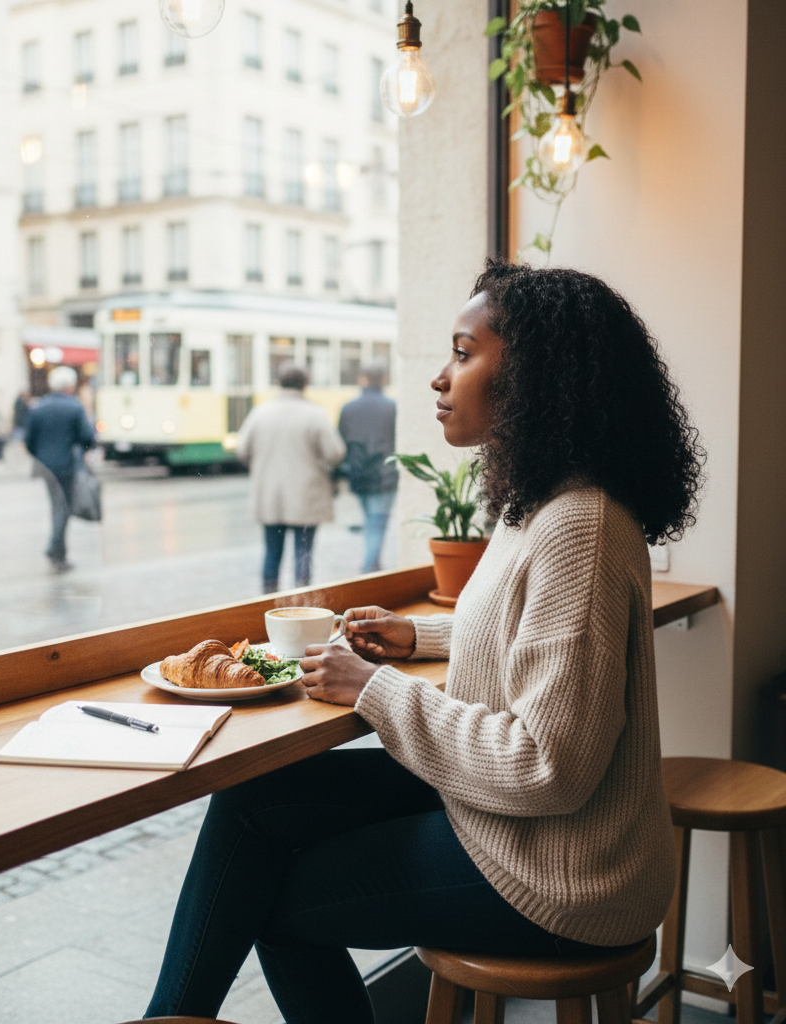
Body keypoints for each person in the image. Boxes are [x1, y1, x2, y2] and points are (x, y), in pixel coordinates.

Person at [145, 261, 706, 1024]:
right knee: (252, 801)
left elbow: (547, 766)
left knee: (272, 904)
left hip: (564, 872)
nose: (440, 378)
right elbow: (533, 637)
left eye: (464, 353)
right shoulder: (542, 504)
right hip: (522, 824)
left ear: (534, 376)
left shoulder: (583, 525)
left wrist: (374, 690)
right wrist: (416, 636)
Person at [236, 364, 346, 593]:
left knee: (271, 552)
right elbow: (335, 453)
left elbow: (242, 450)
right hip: (306, 496)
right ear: (305, 384)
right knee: (303, 553)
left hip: (270, 496)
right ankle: (301, 601)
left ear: (278, 382)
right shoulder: (315, 414)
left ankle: (267, 600)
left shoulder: (260, 412)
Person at [24, 365, 96, 573]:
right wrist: (80, 452)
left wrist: (42, 456)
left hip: (45, 466)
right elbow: (87, 437)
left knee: (56, 505)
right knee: (62, 508)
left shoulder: (39, 407)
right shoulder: (74, 407)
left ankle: (58, 551)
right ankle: (55, 549)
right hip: (65, 465)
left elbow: (29, 440)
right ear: (69, 386)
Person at [337, 360, 399, 573]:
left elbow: (341, 442)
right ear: (384, 379)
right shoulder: (393, 407)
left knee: (371, 522)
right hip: (385, 476)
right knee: (376, 526)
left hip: (358, 476)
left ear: (361, 380)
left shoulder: (348, 407)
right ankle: (368, 571)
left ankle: (373, 567)